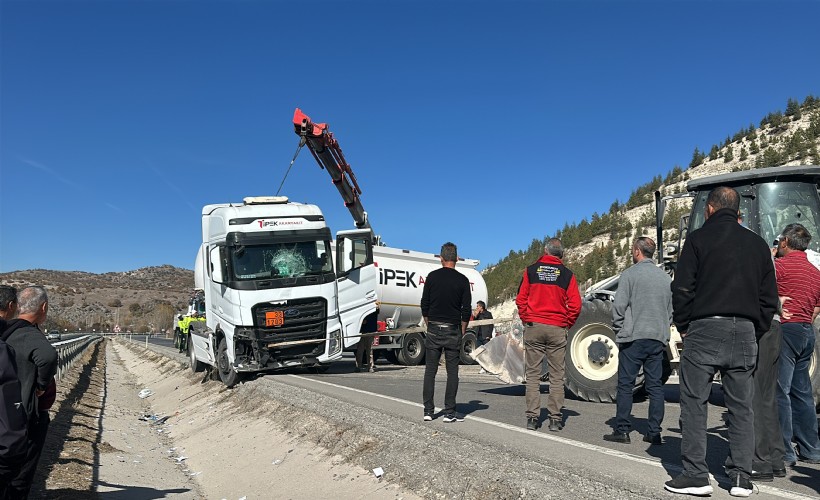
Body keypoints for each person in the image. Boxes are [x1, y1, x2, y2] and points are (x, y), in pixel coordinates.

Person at [667, 186, 778, 498]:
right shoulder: (757, 245)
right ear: (738, 210)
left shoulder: (698, 239)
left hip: (704, 328)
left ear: (709, 209)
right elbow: (769, 299)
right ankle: (741, 477)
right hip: (744, 331)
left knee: (694, 402)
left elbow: (683, 289)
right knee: (742, 407)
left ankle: (695, 475)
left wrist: (685, 325)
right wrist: (753, 329)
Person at [604, 237, 672, 445]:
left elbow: (619, 307)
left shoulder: (630, 275)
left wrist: (619, 328)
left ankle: (622, 430)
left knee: (625, 385)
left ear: (636, 251)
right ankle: (654, 432)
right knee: (655, 387)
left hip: (633, 337)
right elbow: (670, 311)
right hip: (657, 338)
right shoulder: (665, 278)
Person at [516, 238, 581, 432]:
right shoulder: (568, 275)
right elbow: (576, 306)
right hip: (556, 328)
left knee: (534, 374)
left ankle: (532, 418)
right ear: (561, 254)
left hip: (534, 326)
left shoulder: (531, 271)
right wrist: (566, 323)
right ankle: (554, 419)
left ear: (545, 250)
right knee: (556, 375)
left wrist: (527, 319)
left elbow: (521, 299)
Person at [2, 286, 59, 498]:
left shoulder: (5, 330)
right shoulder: (28, 334)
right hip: (25, 417)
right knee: (21, 475)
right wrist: (41, 387)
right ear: (43, 307)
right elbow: (48, 356)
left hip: (5, 416)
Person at [773, 223, 820, 466]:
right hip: (806, 331)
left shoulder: (779, 267)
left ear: (784, 242)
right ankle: (811, 448)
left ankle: (785, 451)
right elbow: (817, 307)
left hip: (786, 330)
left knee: (780, 390)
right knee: (802, 392)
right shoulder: (814, 272)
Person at [420, 242, 471, 423]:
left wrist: (429, 323)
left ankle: (428, 410)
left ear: (441, 258)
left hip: (434, 327)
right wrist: (462, 329)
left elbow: (424, 305)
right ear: (456, 259)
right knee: (452, 372)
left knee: (430, 371)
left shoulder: (432, 277)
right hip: (452, 329)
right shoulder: (463, 280)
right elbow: (466, 311)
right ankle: (449, 412)